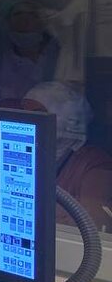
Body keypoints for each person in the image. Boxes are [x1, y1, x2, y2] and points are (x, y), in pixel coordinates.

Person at [22, 81, 112, 232]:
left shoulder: (96, 165)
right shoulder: (22, 156)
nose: (25, 120)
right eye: (23, 111)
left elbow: (94, 228)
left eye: (37, 113)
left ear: (70, 122)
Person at [0, 0, 60, 107]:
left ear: (43, 22)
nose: (25, 20)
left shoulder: (59, 59)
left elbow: (73, 94)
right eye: (18, 14)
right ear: (7, 22)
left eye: (32, 14)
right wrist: (5, 103)